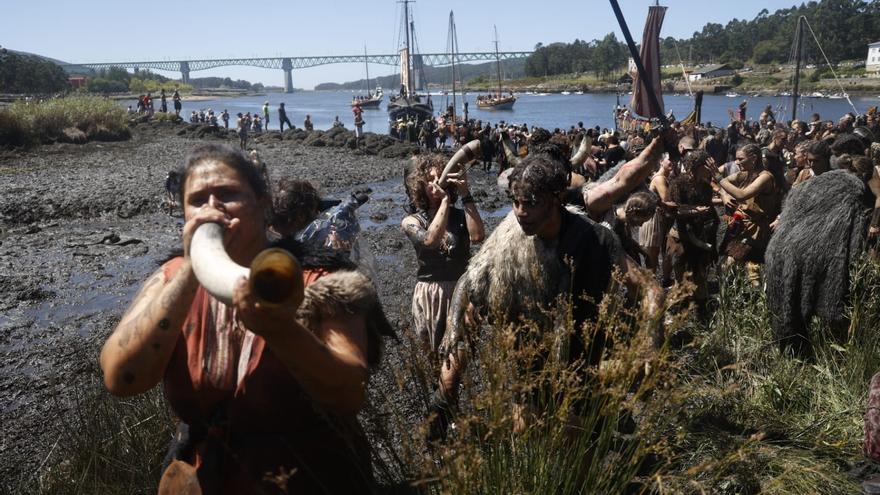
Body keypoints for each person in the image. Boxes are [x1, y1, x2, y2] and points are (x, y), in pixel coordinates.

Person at [100, 144, 390, 493]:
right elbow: (121, 378)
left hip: (310, 480)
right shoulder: (171, 279)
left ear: (262, 204)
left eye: (227, 194)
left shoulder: (322, 280)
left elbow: (348, 393)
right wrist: (192, 270)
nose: (212, 209)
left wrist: (282, 331)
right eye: (197, 200)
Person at [432, 152, 662, 438]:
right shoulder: (510, 233)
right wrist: (453, 328)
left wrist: (649, 344)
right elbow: (470, 279)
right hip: (530, 356)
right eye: (515, 203)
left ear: (556, 198)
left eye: (530, 203)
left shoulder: (596, 238)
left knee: (573, 442)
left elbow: (650, 288)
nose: (520, 212)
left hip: (580, 356)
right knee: (525, 434)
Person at [401, 154, 485, 355]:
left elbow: (477, 236)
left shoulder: (461, 216)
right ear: (420, 186)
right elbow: (430, 241)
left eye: (439, 178)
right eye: (429, 181)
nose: (435, 184)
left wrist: (465, 194)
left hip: (461, 291)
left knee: (456, 363)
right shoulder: (412, 221)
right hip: (430, 295)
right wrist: (445, 201)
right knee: (433, 359)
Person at [711, 143, 782, 284]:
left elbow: (742, 195)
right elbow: (716, 182)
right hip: (740, 226)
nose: (737, 162)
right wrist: (723, 194)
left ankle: (754, 301)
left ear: (754, 158)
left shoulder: (765, 177)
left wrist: (720, 178)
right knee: (729, 268)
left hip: (755, 231)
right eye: (736, 159)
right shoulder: (745, 175)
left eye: (741, 159)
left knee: (750, 270)